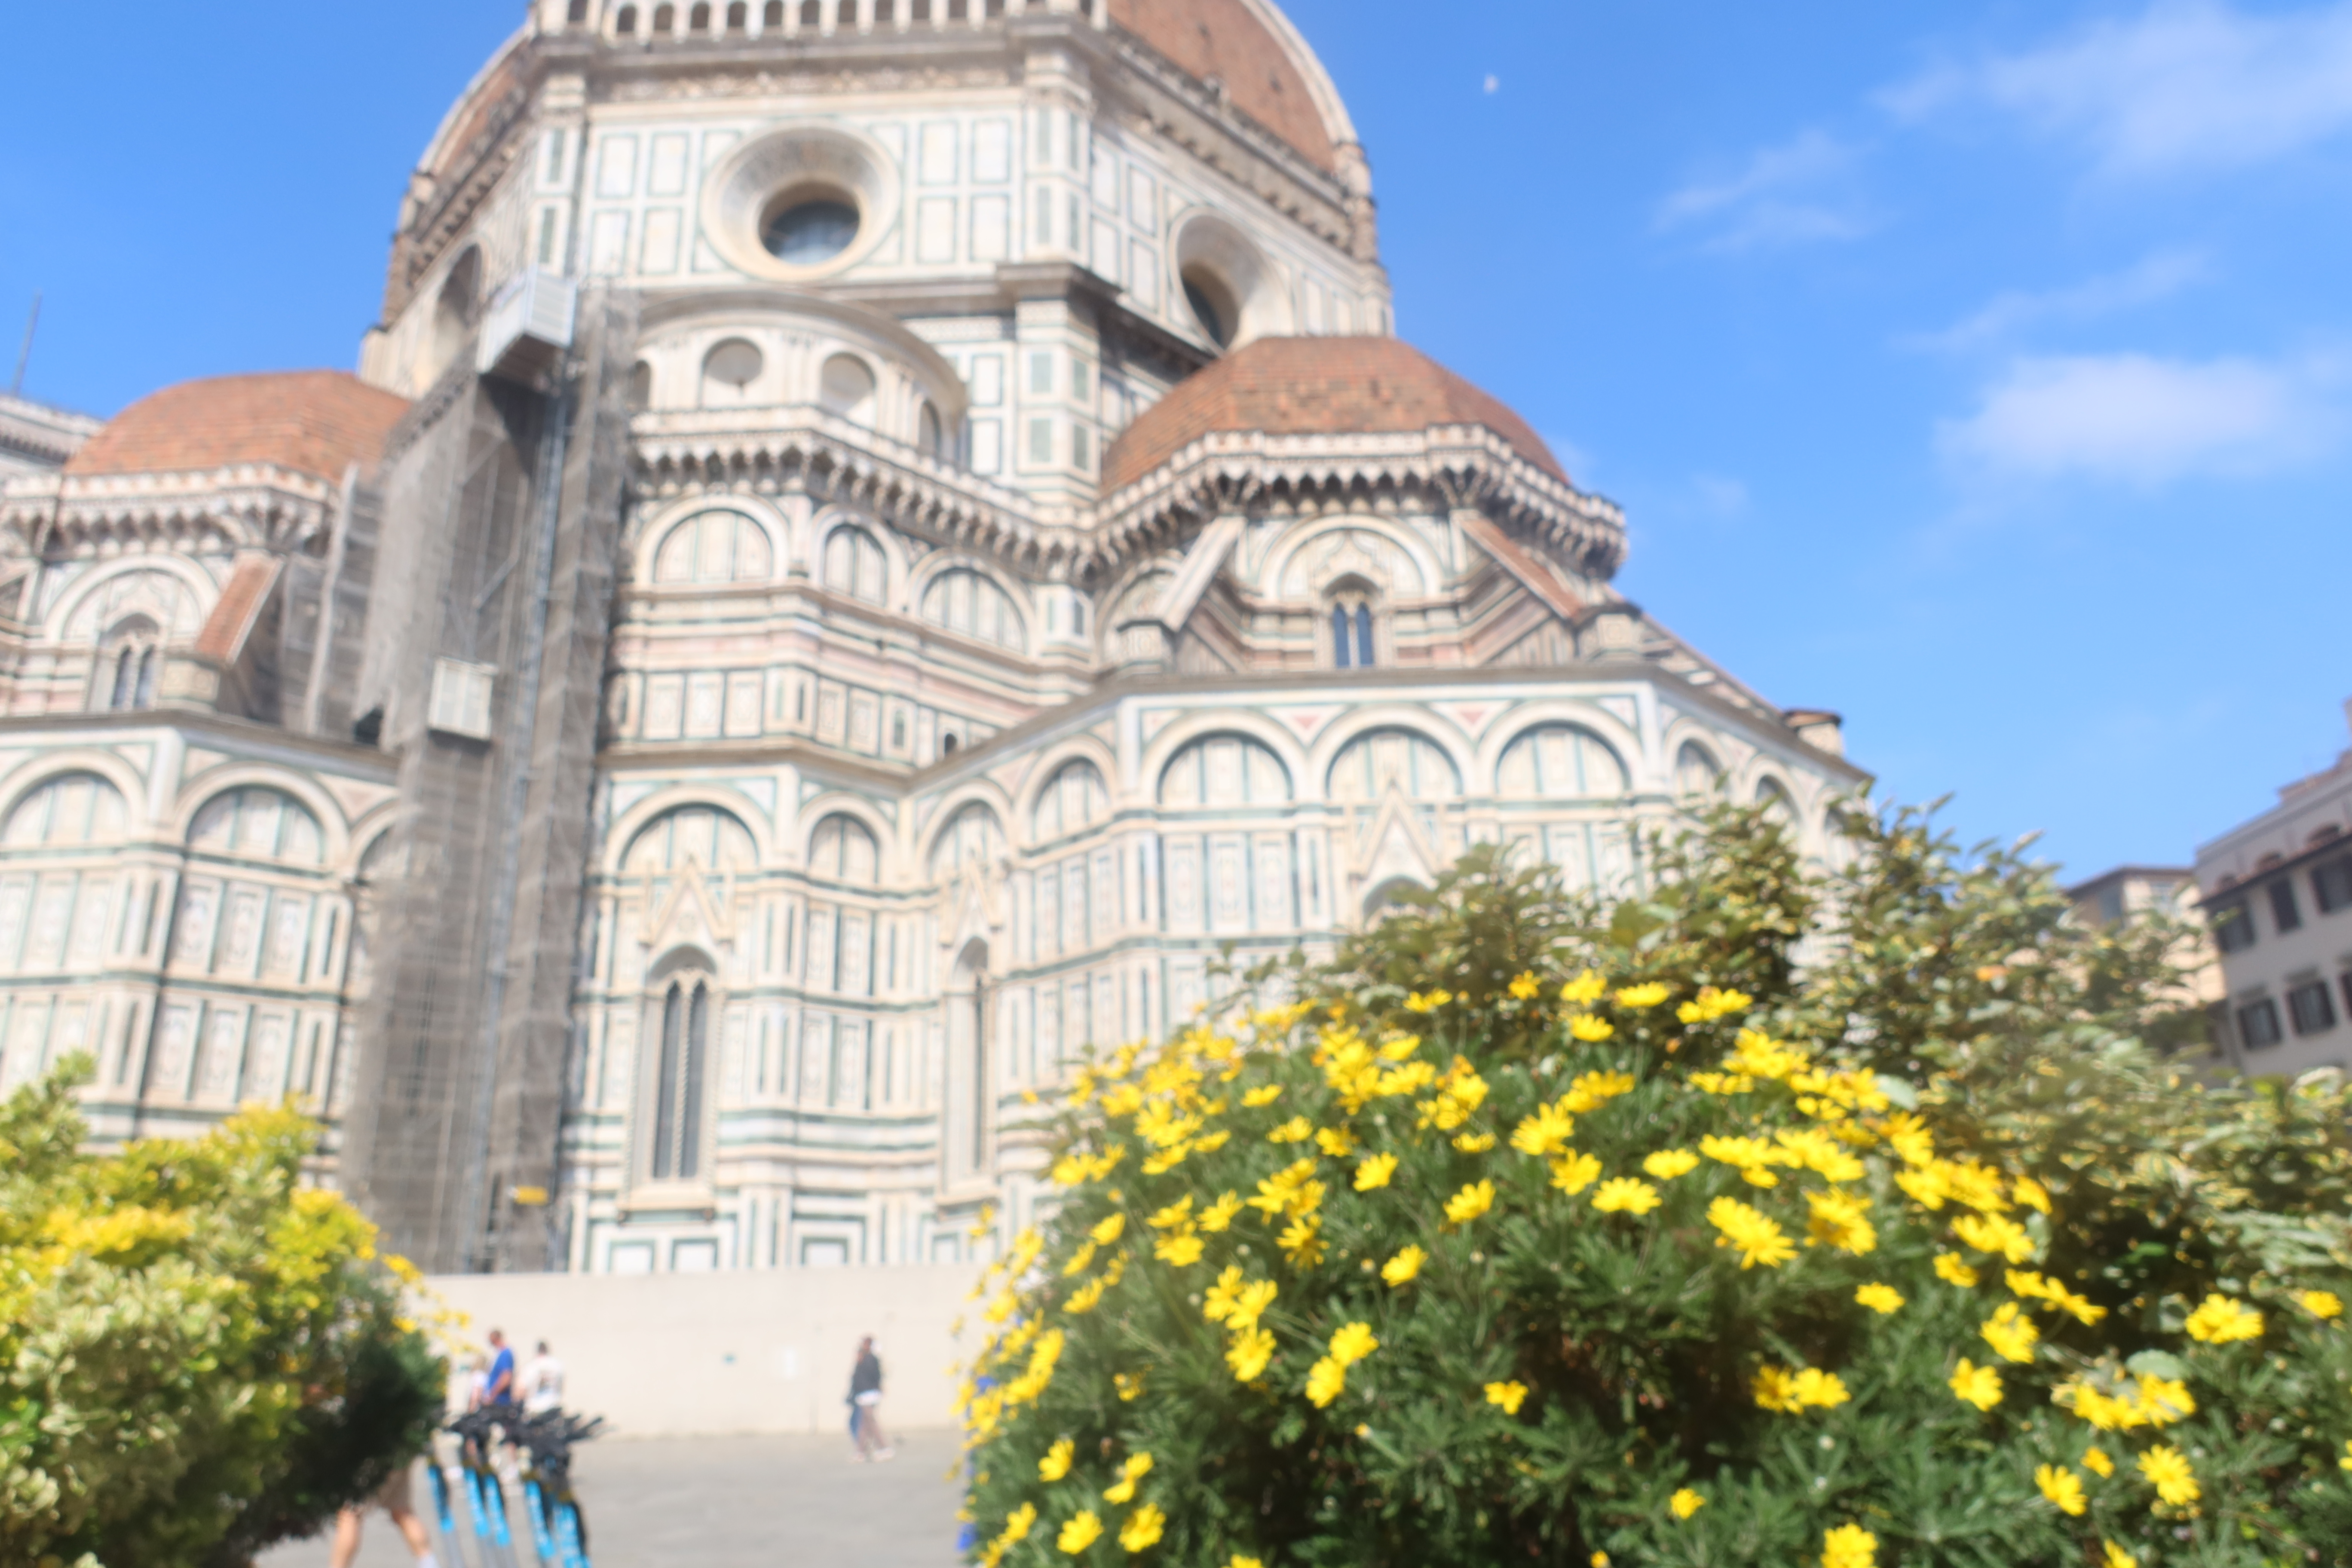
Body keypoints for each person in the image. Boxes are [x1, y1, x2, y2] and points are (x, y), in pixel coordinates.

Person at [328, 1460, 438, 1568]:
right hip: (400, 1455)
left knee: (350, 1515)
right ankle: (429, 1564)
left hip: (372, 1457)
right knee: (402, 1511)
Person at [848, 1336, 892, 1461]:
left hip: (869, 1396)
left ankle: (884, 1449)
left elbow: (873, 1378)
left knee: (871, 1423)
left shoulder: (870, 1359)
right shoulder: (863, 1359)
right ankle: (861, 1451)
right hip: (863, 1396)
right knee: (864, 1425)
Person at [522, 1339, 565, 1416]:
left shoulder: (532, 1366)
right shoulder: (557, 1365)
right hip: (553, 1407)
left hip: (535, 1409)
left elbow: (523, 1389)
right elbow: (561, 1386)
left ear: (538, 1351)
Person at [483, 1329, 516, 1408]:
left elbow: (506, 1377)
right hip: (495, 1401)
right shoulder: (498, 1354)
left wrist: (492, 1396)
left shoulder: (505, 1354)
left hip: (500, 1403)